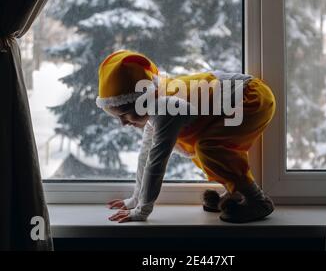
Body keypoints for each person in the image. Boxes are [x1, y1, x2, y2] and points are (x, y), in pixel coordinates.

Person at [97, 50, 276, 223]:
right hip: (241, 95)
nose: (123, 123)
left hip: (252, 96)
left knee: (210, 148)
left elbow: (156, 162)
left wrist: (142, 211)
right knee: (207, 148)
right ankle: (235, 193)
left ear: (144, 99)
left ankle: (258, 201)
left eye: (125, 114)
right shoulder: (156, 102)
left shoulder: (167, 107)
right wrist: (134, 200)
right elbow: (146, 155)